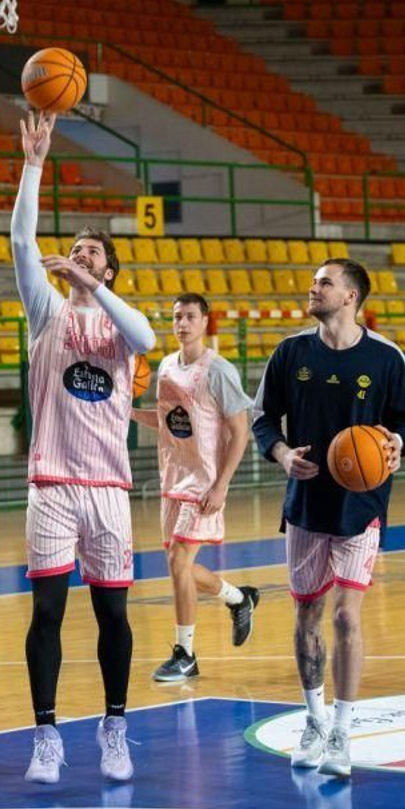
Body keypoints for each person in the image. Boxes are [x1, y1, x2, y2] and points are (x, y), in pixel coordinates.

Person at [13, 111, 157, 785]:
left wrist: (95, 285)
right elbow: (21, 241)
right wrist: (34, 163)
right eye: (75, 247)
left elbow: (148, 338)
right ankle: (46, 734)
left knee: (113, 613)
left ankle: (114, 726)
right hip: (52, 484)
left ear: (110, 268)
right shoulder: (48, 311)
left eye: (93, 251)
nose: (81, 254)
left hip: (108, 489)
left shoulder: (122, 327)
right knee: (47, 610)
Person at [251, 258, 405, 779]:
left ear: (351, 296)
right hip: (306, 504)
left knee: (347, 615)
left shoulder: (385, 357)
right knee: (307, 616)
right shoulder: (291, 353)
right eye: (313, 281)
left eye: (324, 282)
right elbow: (262, 417)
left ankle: (343, 731)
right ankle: (314, 720)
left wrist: (396, 443)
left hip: (361, 506)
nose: (313, 288)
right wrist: (282, 453)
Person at [128, 292, 260, 683]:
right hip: (173, 478)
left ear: (205, 322)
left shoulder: (218, 370)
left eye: (189, 316)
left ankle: (185, 654)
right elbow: (167, 420)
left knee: (178, 563)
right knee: (179, 568)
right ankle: (239, 598)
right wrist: (126, 412)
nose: (182, 324)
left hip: (204, 482)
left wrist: (222, 485)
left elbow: (240, 431)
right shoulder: (167, 367)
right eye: (176, 317)